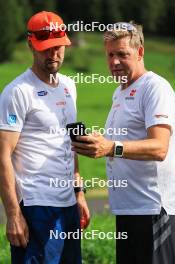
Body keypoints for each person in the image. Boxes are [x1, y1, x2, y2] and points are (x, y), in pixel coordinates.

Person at [72, 22, 175, 264]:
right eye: (110, 54)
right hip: (127, 209)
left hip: (153, 210)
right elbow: (119, 142)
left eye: (122, 54)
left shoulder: (155, 88)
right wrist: (97, 144)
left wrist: (111, 147)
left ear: (140, 53)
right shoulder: (120, 92)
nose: (115, 61)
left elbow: (160, 147)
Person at [0, 11, 90, 264]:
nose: (53, 54)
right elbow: (2, 155)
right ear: (31, 44)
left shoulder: (69, 86)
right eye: (46, 48)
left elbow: (70, 143)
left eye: (58, 47)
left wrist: (79, 193)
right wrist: (13, 215)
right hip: (35, 204)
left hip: (67, 205)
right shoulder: (17, 92)